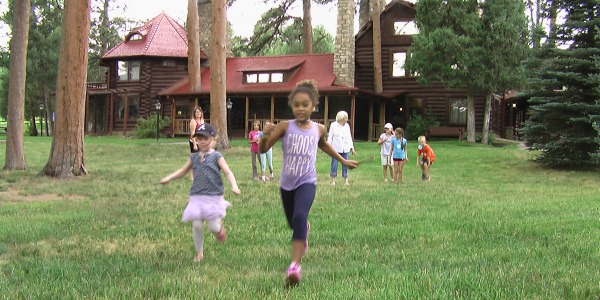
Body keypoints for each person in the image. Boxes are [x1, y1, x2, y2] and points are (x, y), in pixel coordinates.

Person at [259, 80, 358, 286]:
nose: (300, 108)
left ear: (314, 106)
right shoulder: (285, 126)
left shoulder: (319, 129)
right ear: (292, 106)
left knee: (299, 215)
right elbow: (263, 149)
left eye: (305, 104)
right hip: (287, 184)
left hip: (307, 181)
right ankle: (303, 230)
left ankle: (294, 266)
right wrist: (265, 135)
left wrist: (343, 160)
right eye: (296, 105)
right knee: (294, 223)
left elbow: (325, 146)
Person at [160, 123, 241, 262]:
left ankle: (219, 229)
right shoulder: (194, 157)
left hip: (213, 197)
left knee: (213, 226)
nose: (202, 141)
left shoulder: (217, 156)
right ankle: (199, 253)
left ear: (213, 139)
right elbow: (183, 171)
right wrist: (169, 177)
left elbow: (228, 172)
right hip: (196, 196)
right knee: (197, 224)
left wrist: (234, 186)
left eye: (205, 138)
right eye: (199, 138)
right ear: (195, 140)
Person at [327, 111, 357, 186]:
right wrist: (328, 147)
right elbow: (330, 136)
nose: (347, 119)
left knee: (346, 164)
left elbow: (349, 137)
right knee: (334, 164)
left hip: (345, 148)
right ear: (341, 118)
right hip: (336, 148)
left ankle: (346, 181)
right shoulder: (333, 125)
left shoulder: (347, 126)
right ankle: (333, 181)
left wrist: (352, 148)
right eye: (345, 118)